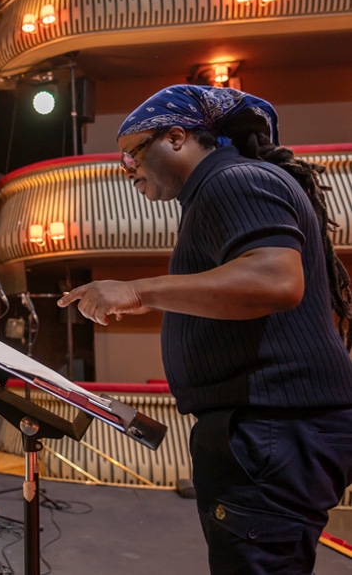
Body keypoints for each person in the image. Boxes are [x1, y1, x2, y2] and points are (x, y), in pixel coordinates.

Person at [57, 85, 352, 575]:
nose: (124, 171)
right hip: (271, 427)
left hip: (269, 428)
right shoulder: (227, 187)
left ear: (177, 137)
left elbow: (276, 280)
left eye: (131, 154)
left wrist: (139, 291)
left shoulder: (232, 181)